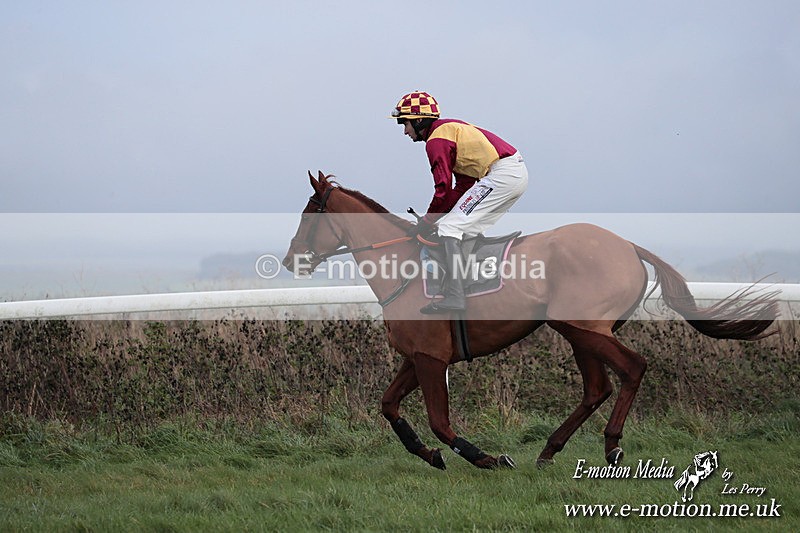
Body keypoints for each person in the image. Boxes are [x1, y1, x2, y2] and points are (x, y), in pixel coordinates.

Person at [390, 91, 528, 314]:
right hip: (510, 174)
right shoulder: (448, 132)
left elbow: (443, 190)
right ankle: (468, 284)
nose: (405, 131)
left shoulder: (436, 141)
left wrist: (427, 222)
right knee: (462, 227)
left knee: (450, 227)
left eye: (404, 124)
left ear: (419, 121)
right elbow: (463, 186)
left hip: (502, 175)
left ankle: (455, 295)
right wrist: (437, 217)